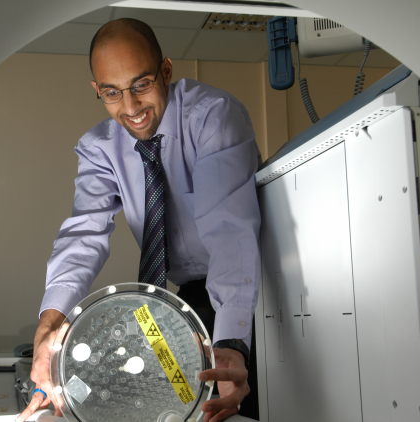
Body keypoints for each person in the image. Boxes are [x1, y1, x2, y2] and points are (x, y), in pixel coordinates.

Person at [16, 18, 261, 422]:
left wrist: (234, 341)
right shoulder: (100, 149)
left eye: (141, 85)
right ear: (97, 90)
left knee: (242, 393)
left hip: (254, 282)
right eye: (112, 93)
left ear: (166, 71)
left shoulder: (212, 116)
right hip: (192, 292)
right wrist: (47, 332)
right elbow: (83, 237)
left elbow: (229, 232)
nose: (130, 108)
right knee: (197, 402)